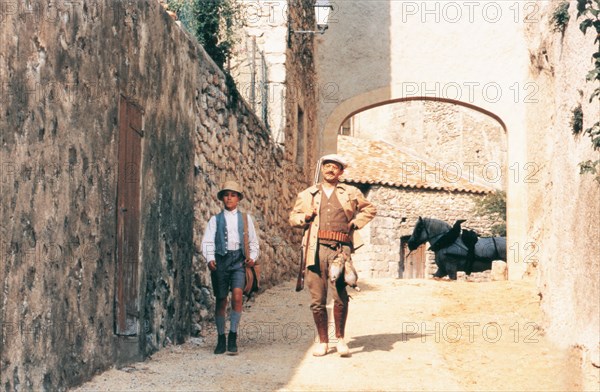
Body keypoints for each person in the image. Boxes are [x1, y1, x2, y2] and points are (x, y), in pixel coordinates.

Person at [289, 154, 376, 357]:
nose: (330, 170)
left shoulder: (351, 192)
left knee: (340, 296)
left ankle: (341, 339)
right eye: (327, 166)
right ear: (322, 169)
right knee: (317, 299)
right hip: (314, 249)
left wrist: (356, 223)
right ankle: (323, 342)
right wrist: (305, 217)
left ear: (341, 172)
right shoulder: (307, 194)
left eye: (335, 167)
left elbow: (370, 208)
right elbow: (293, 218)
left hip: (340, 250)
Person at [201, 180, 259, 355]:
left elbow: (254, 242)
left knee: (237, 295)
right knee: (221, 299)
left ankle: (233, 334)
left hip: (238, 262)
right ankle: (221, 338)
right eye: (226, 195)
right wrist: (210, 258)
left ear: (239, 198)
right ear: (222, 198)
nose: (229, 198)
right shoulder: (215, 220)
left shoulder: (245, 219)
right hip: (221, 262)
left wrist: (253, 258)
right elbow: (208, 241)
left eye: (233, 195)